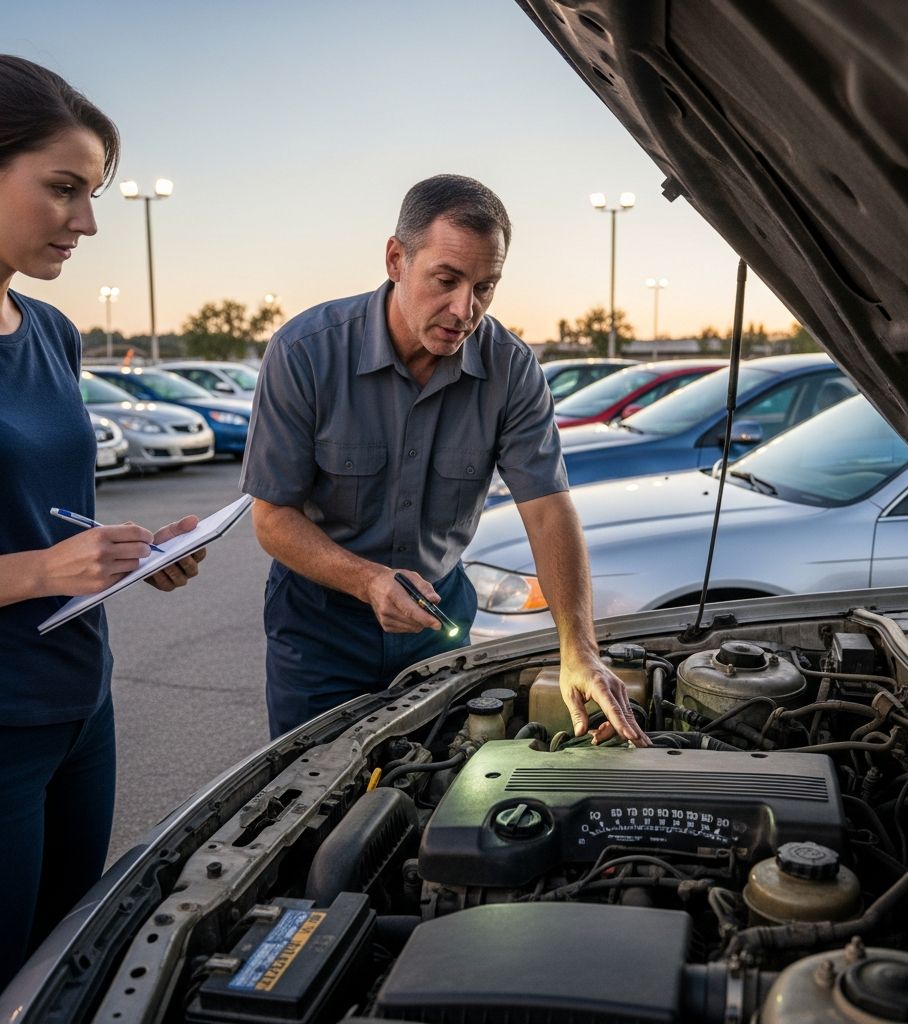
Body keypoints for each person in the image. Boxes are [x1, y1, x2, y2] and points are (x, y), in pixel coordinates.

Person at [242, 173, 648, 746]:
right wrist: (369, 582)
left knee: (432, 785)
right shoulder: (305, 353)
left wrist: (577, 648)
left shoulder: (512, 370)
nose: (465, 309)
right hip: (319, 628)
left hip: (438, 621)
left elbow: (549, 510)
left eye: (486, 286)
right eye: (447, 279)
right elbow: (273, 519)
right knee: (317, 801)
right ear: (395, 259)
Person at [0, 55, 205, 990]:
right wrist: (45, 571)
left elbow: (54, 509)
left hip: (84, 705)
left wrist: (128, 557)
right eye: (64, 189)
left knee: (66, 967)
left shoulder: (51, 332)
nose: (86, 221)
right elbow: (42, 552)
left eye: (94, 194)